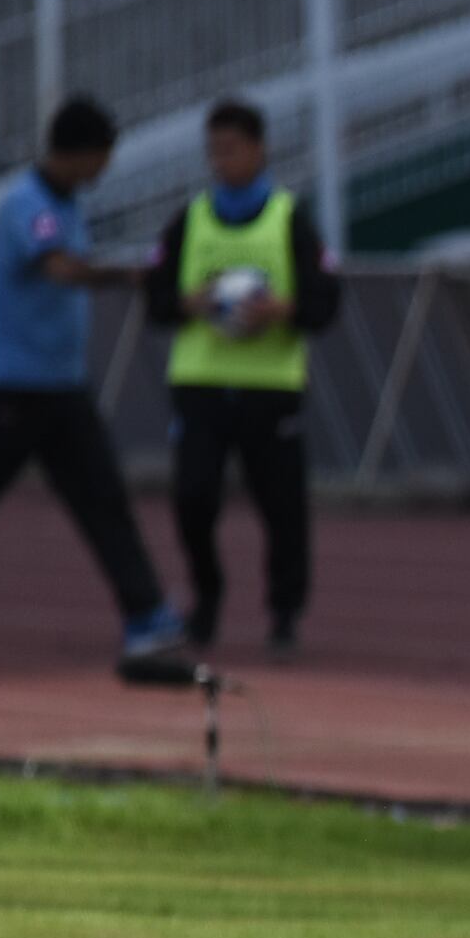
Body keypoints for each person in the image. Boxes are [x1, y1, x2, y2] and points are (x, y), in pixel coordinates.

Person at [0, 96, 188, 672]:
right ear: (81, 153)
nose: (104, 170)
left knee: (102, 498)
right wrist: (127, 275)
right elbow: (59, 268)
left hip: (60, 386)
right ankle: (144, 609)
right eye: (101, 157)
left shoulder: (66, 204)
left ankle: (145, 613)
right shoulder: (30, 205)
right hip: (14, 387)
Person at [138, 98, 341, 657]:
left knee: (282, 506)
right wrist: (189, 302)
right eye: (214, 151)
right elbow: (155, 298)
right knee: (193, 496)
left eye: (231, 148)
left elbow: (326, 302)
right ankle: (206, 596)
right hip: (202, 382)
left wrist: (283, 310)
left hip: (271, 386)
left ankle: (284, 613)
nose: (221, 161)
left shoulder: (289, 219)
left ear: (259, 148)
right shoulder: (191, 220)